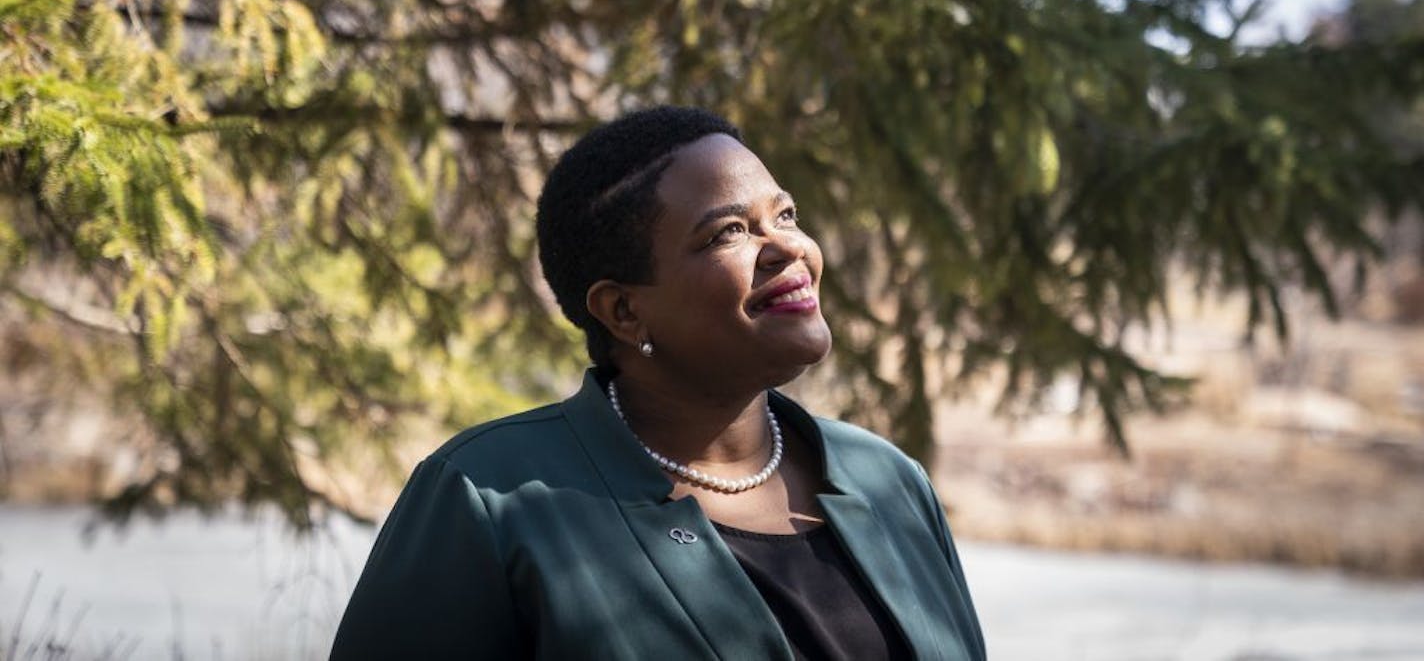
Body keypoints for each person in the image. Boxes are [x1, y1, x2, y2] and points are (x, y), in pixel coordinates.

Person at [330, 106, 985, 660]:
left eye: (783, 216)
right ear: (623, 310)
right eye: (727, 232)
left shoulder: (889, 482)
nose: (787, 247)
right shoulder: (488, 498)